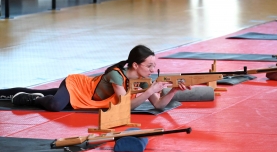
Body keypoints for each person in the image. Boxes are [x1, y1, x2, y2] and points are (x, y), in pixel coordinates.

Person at [1, 45, 190, 112]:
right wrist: (150, 91)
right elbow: (125, 105)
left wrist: (172, 90)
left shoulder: (142, 81)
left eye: (153, 66)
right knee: (55, 105)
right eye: (149, 66)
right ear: (135, 65)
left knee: (49, 93)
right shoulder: (116, 74)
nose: (152, 69)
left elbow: (158, 105)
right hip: (78, 87)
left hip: (90, 99)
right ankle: (33, 100)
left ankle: (24, 94)